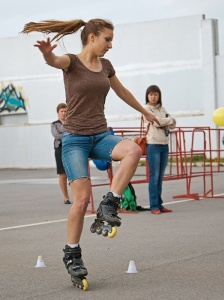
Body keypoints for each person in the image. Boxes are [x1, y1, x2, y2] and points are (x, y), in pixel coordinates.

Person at [21, 19, 159, 285]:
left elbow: (122, 92)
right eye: (107, 39)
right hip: (74, 139)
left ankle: (109, 203)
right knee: (81, 201)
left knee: (132, 150)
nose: (110, 45)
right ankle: (72, 253)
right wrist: (47, 53)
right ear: (93, 37)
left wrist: (146, 112)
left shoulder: (106, 66)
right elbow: (54, 61)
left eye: (111, 40)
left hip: (100, 136)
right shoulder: (71, 62)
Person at [143, 85, 176, 214]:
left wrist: (166, 121)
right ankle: (154, 206)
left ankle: (160, 204)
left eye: (156, 94)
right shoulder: (145, 108)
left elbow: (173, 123)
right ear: (147, 96)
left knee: (160, 176)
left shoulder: (162, 109)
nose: (153, 97)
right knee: (154, 176)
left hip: (164, 144)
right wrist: (167, 121)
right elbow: (157, 122)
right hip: (153, 144)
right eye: (151, 94)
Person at [51, 103, 71, 204]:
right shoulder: (54, 124)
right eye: (61, 111)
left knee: (74, 173)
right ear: (58, 113)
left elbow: (76, 132)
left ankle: (79, 195)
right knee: (62, 174)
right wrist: (68, 135)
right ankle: (66, 197)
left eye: (65, 111)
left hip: (72, 148)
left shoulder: (72, 123)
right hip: (60, 148)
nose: (64, 113)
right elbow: (56, 135)